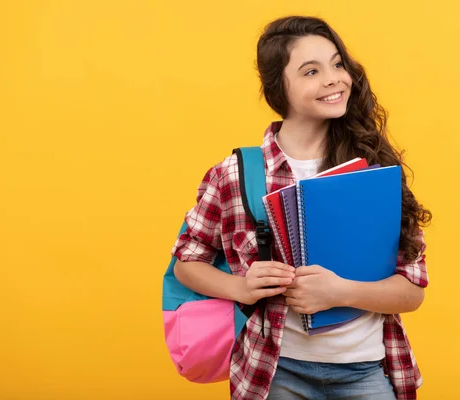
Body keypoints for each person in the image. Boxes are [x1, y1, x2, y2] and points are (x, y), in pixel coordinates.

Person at [173, 15, 432, 400]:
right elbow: (187, 262)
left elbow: (411, 293)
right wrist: (240, 287)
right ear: (280, 88)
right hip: (275, 371)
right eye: (311, 71)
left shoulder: (374, 171)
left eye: (338, 63)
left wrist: (340, 292)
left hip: (365, 369)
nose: (333, 78)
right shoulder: (234, 174)